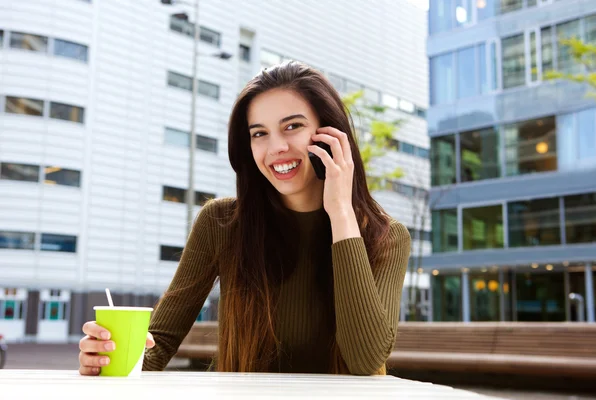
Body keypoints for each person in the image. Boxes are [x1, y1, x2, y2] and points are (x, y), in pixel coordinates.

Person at [78, 61, 411, 376]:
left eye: (292, 126)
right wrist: (108, 357)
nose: (276, 147)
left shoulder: (386, 237)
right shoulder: (221, 222)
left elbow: (365, 361)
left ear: (330, 135)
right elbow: (158, 344)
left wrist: (341, 212)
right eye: (259, 133)